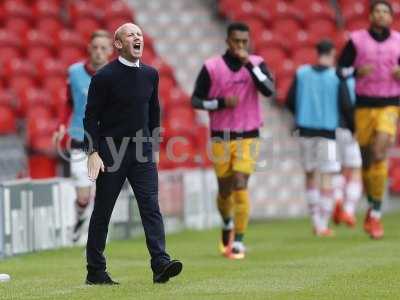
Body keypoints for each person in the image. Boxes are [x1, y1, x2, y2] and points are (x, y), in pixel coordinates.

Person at [83, 23, 182, 285]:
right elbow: (90, 117)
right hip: (110, 151)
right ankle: (95, 271)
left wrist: (154, 146)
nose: (137, 37)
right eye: (130, 35)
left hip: (141, 151)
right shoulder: (103, 77)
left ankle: (160, 263)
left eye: (139, 34)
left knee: (151, 208)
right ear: (118, 44)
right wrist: (93, 151)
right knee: (103, 211)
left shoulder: (151, 74)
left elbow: (154, 113)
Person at [191, 22, 275, 259]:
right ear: (227, 41)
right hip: (221, 136)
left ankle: (238, 241)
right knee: (225, 190)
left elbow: (269, 90)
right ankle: (227, 222)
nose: (240, 46)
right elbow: (196, 101)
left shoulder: (257, 64)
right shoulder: (211, 67)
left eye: (244, 42)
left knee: (240, 182)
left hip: (249, 135)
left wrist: (249, 64)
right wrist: (219, 103)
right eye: (236, 41)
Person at [338, 0, 400, 239]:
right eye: (378, 11)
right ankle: (372, 204)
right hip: (363, 106)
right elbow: (340, 70)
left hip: (390, 104)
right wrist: (355, 72)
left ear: (390, 17)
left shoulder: (398, 41)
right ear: (370, 15)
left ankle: (375, 213)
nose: (382, 15)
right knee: (366, 162)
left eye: (386, 12)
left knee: (379, 151)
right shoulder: (356, 40)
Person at [286, 40, 354, 237]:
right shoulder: (336, 75)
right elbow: (346, 105)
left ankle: (315, 221)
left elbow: (290, 100)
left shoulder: (302, 73)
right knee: (326, 176)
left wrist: (302, 115)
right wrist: (353, 127)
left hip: (305, 130)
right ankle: (322, 223)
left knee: (309, 174)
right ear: (333, 52)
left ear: (317, 52)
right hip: (327, 133)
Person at [53, 30, 113, 243]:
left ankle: (96, 237)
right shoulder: (75, 72)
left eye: (103, 48)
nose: (98, 52)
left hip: (109, 141)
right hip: (80, 139)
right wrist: (61, 125)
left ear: (111, 51)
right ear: (89, 48)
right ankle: (79, 220)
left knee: (105, 194)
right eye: (95, 47)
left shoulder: (116, 74)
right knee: (84, 196)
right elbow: (68, 102)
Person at [332, 76, 363, 229]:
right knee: (356, 170)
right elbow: (350, 106)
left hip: (332, 129)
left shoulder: (334, 79)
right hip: (350, 129)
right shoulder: (354, 82)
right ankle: (349, 211)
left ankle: (338, 199)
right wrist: (356, 128)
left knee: (340, 169)